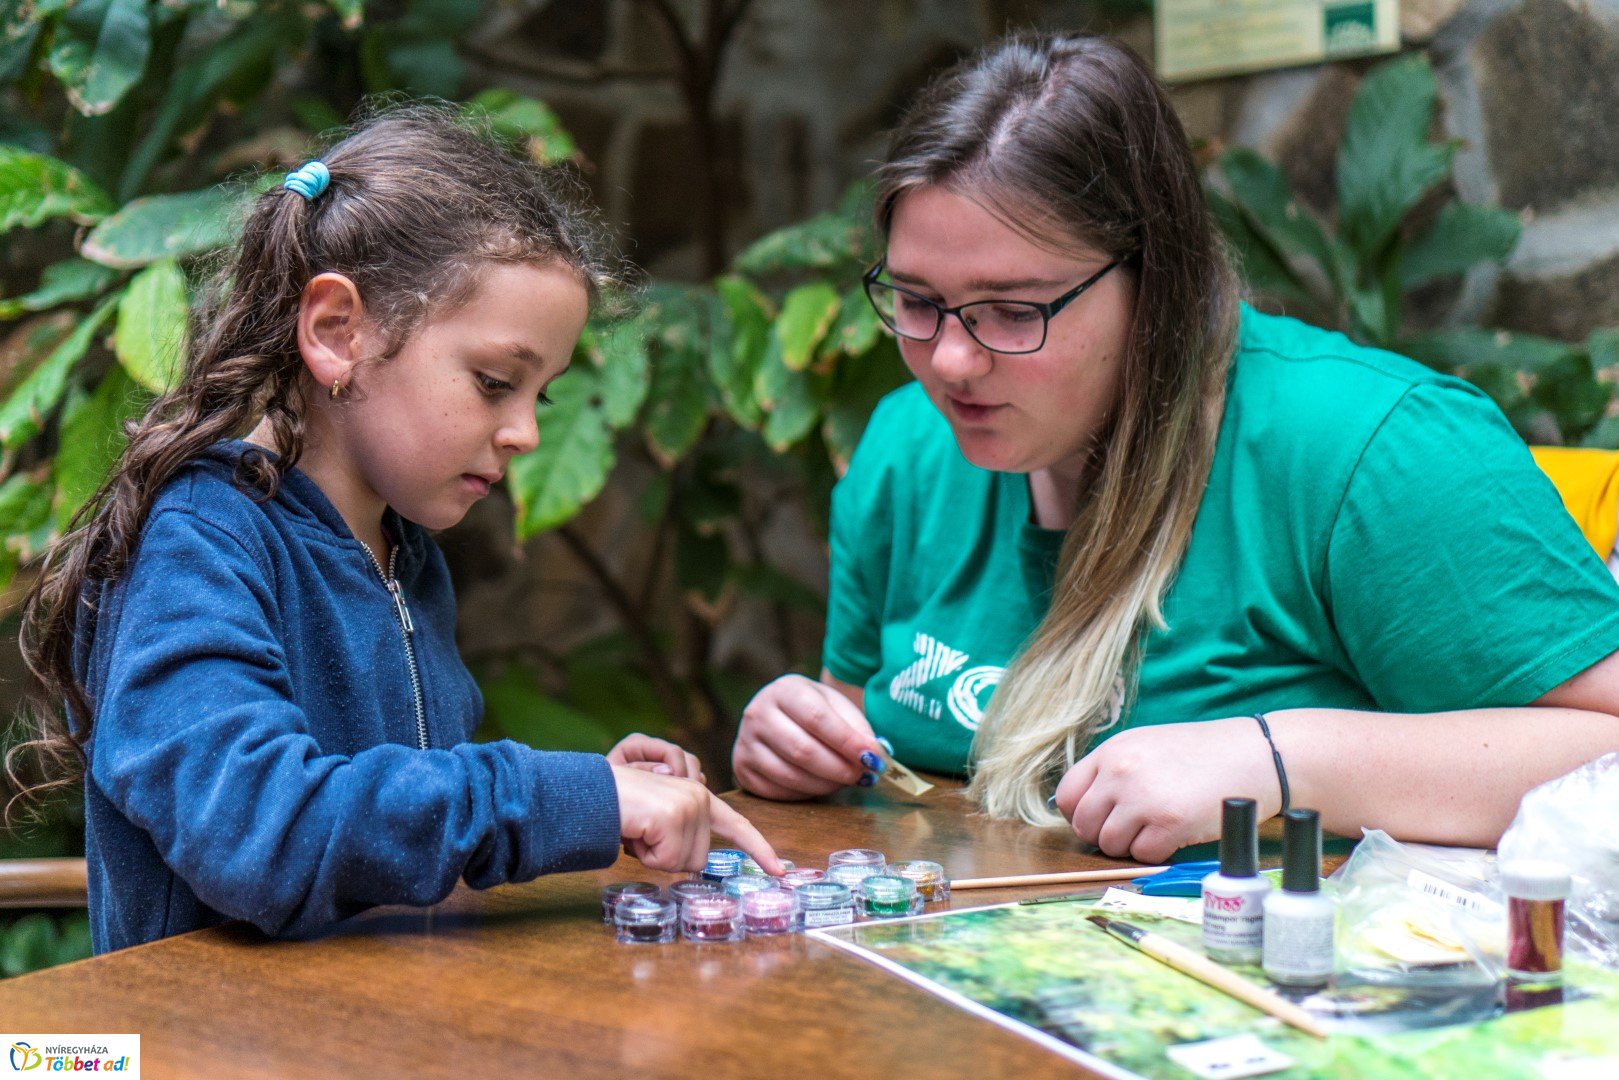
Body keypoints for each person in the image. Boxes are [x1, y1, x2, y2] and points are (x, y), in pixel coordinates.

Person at [732, 33, 1619, 863]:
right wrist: (803, 741)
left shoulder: (1372, 451)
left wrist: (1280, 760)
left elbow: (1604, 753)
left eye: (1012, 311)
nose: (951, 362)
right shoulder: (906, 445)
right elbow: (858, 719)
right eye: (916, 300)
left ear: (1155, 281)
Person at [10, 105, 779, 954]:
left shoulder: (405, 554)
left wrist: (597, 792)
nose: (526, 433)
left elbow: (410, 819)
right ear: (337, 332)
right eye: (494, 382)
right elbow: (264, 835)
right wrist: (556, 798)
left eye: (542, 395)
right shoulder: (196, 544)